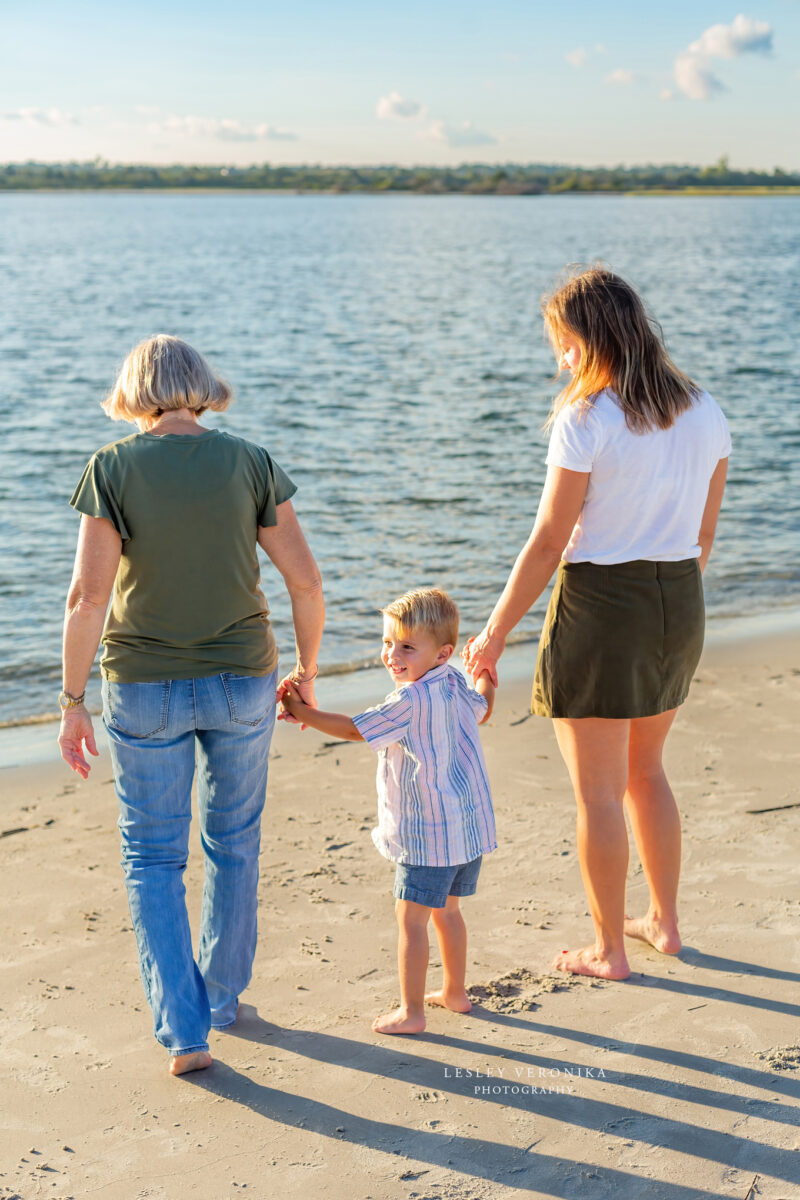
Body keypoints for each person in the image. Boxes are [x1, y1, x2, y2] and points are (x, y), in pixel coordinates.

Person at [58, 334, 324, 1075]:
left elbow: (87, 597)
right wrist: (305, 670)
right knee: (234, 841)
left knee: (151, 856)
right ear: (201, 386)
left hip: (142, 686)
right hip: (242, 678)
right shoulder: (248, 461)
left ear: (133, 391)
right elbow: (306, 582)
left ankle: (185, 1031)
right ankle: (222, 997)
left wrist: (72, 700)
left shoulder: (111, 467)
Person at [463, 266, 730, 981]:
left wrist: (490, 637)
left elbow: (549, 541)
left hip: (602, 607)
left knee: (598, 794)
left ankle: (610, 950)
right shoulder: (705, 409)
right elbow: (704, 537)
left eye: (565, 344)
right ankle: (663, 925)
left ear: (594, 338)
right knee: (647, 771)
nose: (561, 360)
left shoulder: (586, 418)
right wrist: (663, 598)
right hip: (678, 601)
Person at [279, 588, 496, 1034]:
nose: (391, 655)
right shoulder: (454, 681)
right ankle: (455, 992)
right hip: (465, 830)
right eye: (387, 643)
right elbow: (485, 708)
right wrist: (486, 673)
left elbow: (356, 730)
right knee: (448, 911)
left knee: (410, 918)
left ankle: (411, 1013)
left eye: (406, 647)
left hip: (427, 833)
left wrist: (301, 709)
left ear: (442, 653)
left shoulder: (409, 701)